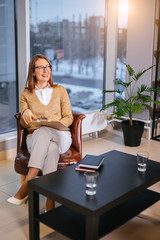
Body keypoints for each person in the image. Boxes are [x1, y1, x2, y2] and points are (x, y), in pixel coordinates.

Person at [7, 54, 73, 211]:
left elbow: (69, 117)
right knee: (50, 147)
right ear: (33, 72)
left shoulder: (60, 90)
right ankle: (50, 201)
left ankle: (27, 184)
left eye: (48, 66)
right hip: (35, 139)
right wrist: (24, 115)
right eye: (41, 67)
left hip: (60, 136)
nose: (46, 70)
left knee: (46, 131)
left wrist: (54, 125)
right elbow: (25, 124)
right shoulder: (26, 94)